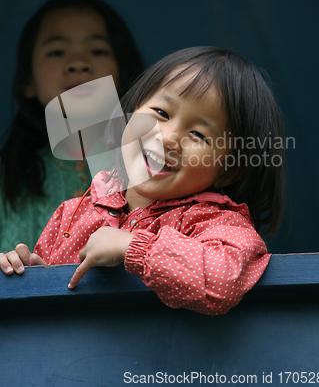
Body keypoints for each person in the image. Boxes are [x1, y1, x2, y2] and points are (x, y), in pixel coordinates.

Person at [0, 47, 286, 316]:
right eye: (161, 113)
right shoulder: (70, 212)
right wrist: (31, 274)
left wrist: (133, 246)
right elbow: (49, 310)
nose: (169, 137)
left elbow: (222, 280)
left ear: (228, 170)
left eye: (198, 134)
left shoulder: (220, 224)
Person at [0, 0, 144, 253]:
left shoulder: (158, 164)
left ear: (124, 74)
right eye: (56, 52)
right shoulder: (5, 177)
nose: (78, 63)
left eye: (98, 50)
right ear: (27, 82)